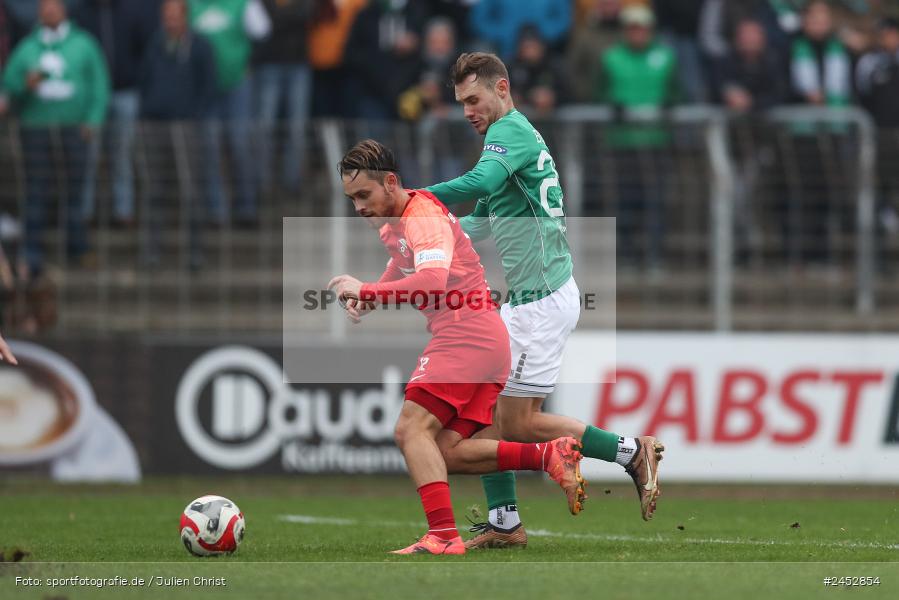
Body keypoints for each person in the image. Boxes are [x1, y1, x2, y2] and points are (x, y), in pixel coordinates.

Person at [425, 52, 665, 549]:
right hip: (530, 301)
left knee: (514, 421)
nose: (468, 110)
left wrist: (414, 199)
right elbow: (480, 221)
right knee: (496, 419)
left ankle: (628, 453)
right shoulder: (511, 142)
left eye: (474, 99)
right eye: (461, 103)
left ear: (502, 88)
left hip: (539, 304)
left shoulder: (507, 135)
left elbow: (477, 185)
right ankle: (507, 524)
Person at [328, 139, 585, 555]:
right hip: (481, 339)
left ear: (391, 182)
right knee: (446, 451)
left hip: (466, 335)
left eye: (363, 195)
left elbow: (430, 280)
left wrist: (369, 291)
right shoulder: (396, 220)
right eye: (351, 198)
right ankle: (548, 455)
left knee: (411, 430)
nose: (358, 207)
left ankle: (444, 536)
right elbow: (404, 263)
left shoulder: (421, 215)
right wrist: (371, 295)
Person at [2, 0, 110, 277]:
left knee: (76, 189)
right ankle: (32, 252)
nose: (49, 11)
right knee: (36, 189)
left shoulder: (84, 44)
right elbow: (8, 84)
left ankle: (78, 246)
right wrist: (24, 85)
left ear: (63, 10)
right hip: (36, 128)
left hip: (75, 128)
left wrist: (93, 119)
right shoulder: (28, 47)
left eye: (54, 6)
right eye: (44, 6)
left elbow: (100, 83)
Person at [594, 5, 678, 269]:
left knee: (656, 201)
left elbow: (678, 92)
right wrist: (611, 104)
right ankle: (627, 255)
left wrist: (669, 104)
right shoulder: (611, 58)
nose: (637, 33)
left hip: (656, 141)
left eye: (642, 28)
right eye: (632, 28)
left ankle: (654, 256)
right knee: (624, 201)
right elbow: (597, 92)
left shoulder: (666, 57)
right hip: (623, 142)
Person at [138, 0, 218, 268]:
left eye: (175, 16)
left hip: (186, 126)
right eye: (166, 16)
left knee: (191, 189)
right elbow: (145, 79)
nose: (170, 21)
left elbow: (208, 85)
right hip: (155, 124)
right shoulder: (155, 44)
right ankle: (150, 251)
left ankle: (195, 252)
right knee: (153, 189)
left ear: (185, 17)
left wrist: (193, 114)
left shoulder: (200, 46)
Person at [74, 0, 159, 225]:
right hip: (92, 98)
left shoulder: (131, 11)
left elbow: (146, 51)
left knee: (122, 155)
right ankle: (85, 212)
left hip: (125, 92)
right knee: (88, 157)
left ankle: (123, 210)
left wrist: (136, 79)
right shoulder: (82, 15)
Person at [188, 0, 271, 226]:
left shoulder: (243, 4)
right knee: (209, 147)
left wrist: (248, 62)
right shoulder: (194, 5)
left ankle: (247, 206)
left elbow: (263, 32)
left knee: (240, 143)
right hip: (205, 88)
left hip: (237, 84)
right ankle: (216, 211)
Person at [255, 0, 314, 192]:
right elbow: (262, 21)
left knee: (297, 128)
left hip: (298, 63)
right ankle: (264, 184)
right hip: (269, 63)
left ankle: (293, 183)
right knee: (265, 127)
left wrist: (280, 17)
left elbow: (308, 12)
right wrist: (289, 16)